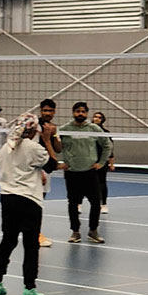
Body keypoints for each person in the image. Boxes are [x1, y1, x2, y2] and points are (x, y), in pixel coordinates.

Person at [0, 111, 50, 295]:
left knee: (8, 240)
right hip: (29, 199)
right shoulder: (34, 147)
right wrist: (47, 140)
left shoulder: (5, 148)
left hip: (7, 198)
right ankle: (29, 289)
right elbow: (50, 164)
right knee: (31, 245)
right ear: (34, 130)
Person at [58, 100, 112, 243]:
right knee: (73, 203)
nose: (80, 114)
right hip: (72, 172)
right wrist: (59, 162)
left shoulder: (94, 129)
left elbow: (107, 145)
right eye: (77, 111)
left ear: (86, 113)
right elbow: (56, 145)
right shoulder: (65, 129)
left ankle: (93, 231)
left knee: (95, 203)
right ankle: (75, 232)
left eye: (83, 111)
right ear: (73, 112)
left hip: (89, 172)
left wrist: (101, 163)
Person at [36, 98, 62, 247]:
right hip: (37, 168)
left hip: (48, 167)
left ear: (54, 112)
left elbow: (58, 149)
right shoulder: (36, 127)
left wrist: (53, 135)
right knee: (36, 201)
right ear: (41, 111)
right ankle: (36, 234)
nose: (47, 113)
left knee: (41, 200)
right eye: (45, 110)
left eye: (50, 111)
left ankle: (35, 231)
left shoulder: (53, 127)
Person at [91, 110, 116, 217]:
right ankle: (79, 204)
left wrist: (111, 163)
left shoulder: (106, 133)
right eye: (95, 116)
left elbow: (110, 149)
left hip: (102, 162)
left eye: (99, 117)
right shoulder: (87, 131)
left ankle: (104, 204)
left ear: (102, 120)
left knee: (102, 182)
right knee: (84, 183)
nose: (96, 118)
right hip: (89, 161)